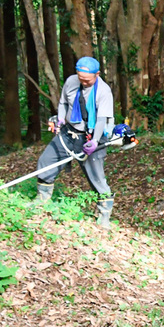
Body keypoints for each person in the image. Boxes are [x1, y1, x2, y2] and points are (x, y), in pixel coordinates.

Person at [32, 56, 115, 229]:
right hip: (69, 133)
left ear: (97, 74)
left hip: (92, 136)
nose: (83, 82)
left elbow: (101, 120)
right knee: (46, 161)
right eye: (80, 78)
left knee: (97, 177)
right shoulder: (71, 82)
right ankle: (41, 199)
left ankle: (104, 215)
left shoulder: (103, 91)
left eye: (87, 80)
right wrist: (60, 119)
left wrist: (94, 142)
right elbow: (63, 103)